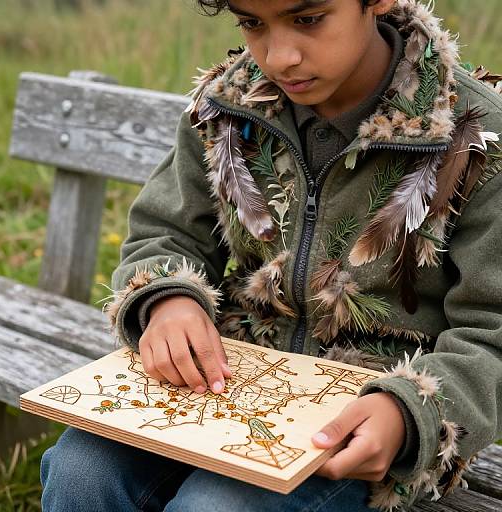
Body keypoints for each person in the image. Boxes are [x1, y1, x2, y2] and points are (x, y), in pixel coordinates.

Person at [40, 0, 502, 510]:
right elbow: (166, 231)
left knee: (216, 507)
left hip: (363, 424)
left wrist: (410, 414)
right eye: (252, 23)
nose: (279, 57)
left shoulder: (477, 136)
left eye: (308, 19)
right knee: (80, 472)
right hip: (224, 385)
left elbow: (493, 330)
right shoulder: (226, 106)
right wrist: (167, 299)